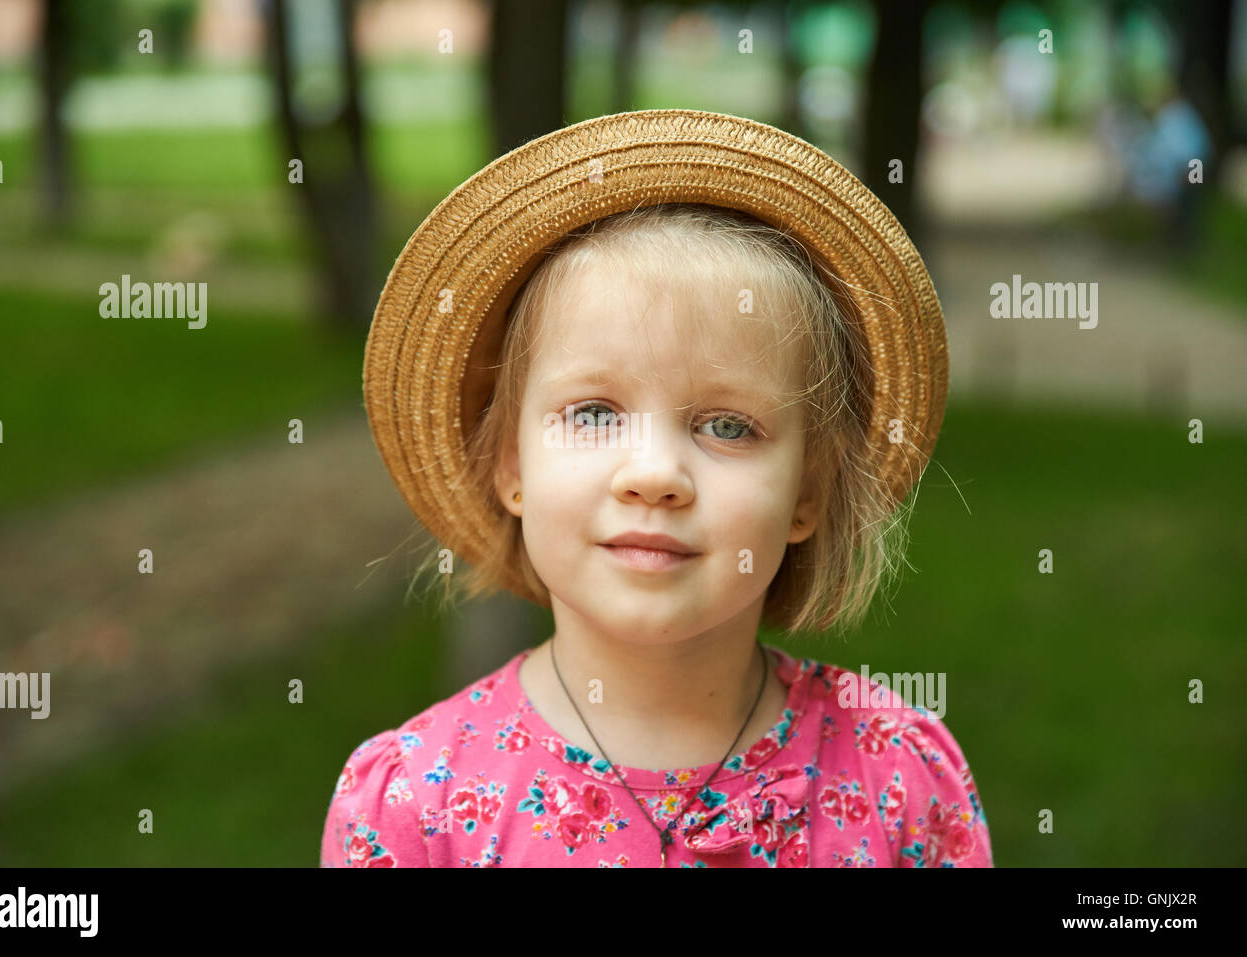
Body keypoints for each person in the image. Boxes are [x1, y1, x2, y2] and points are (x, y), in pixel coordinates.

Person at [320, 110, 994, 867]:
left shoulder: (897, 778)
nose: (654, 475)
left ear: (808, 493)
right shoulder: (416, 803)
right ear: (512, 466)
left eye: (728, 427)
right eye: (594, 412)